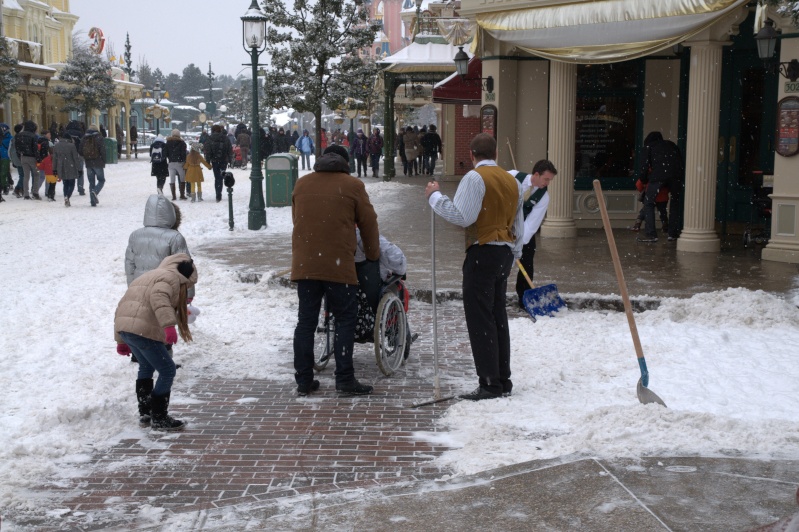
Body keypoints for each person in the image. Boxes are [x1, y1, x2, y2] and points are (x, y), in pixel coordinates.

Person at [425, 133, 524, 401]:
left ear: (471, 155)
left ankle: (490, 383)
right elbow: (519, 224)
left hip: (482, 251)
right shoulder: (512, 181)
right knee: (497, 317)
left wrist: (435, 198)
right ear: (496, 155)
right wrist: (514, 252)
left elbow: (462, 216)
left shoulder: (474, 178)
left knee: (480, 319)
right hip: (504, 252)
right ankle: (502, 378)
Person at [291, 144, 380, 397]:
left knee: (305, 322)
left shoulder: (302, 184)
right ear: (345, 162)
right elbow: (368, 222)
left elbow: (297, 218)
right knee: (344, 319)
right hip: (338, 264)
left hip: (306, 264)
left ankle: (304, 380)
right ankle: (344, 379)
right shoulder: (352, 185)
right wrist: (372, 255)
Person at [114, 253, 197, 431]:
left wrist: (121, 339)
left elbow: (124, 306)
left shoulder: (149, 275)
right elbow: (159, 298)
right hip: (144, 331)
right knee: (168, 370)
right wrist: (169, 326)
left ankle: (146, 411)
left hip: (128, 329)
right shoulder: (171, 278)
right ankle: (159, 417)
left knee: (146, 366)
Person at [507, 160, 558, 308]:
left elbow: (531, 225)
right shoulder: (512, 176)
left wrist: (516, 242)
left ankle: (524, 296)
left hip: (524, 233)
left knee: (526, 264)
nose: (547, 183)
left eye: (550, 180)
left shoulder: (543, 197)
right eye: (546, 179)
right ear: (536, 174)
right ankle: (495, 295)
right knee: (501, 265)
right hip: (502, 227)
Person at [638, 131, 683, 243]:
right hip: (675, 176)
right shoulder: (672, 145)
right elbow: (680, 162)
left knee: (649, 203)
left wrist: (644, 180)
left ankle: (651, 234)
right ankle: (672, 233)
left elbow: (644, 167)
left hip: (657, 177)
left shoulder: (649, 147)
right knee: (675, 202)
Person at [203, 124, 233, 202]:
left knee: (217, 178)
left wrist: (208, 161)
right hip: (224, 160)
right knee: (221, 176)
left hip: (215, 161)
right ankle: (219, 192)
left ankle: (218, 194)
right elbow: (230, 150)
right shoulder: (225, 138)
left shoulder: (209, 138)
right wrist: (230, 160)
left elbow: (208, 151)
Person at [52, 132, 81, 207]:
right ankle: (67, 196)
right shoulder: (71, 146)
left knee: (65, 183)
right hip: (71, 166)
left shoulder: (56, 145)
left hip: (61, 167)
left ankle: (65, 196)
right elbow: (75, 158)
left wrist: (54, 169)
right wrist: (79, 168)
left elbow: (54, 158)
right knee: (71, 183)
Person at [80, 124, 106, 206]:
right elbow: (102, 150)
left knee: (91, 182)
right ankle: (95, 191)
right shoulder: (99, 138)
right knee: (101, 180)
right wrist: (104, 160)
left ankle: (92, 201)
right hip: (98, 162)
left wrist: (86, 157)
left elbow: (80, 150)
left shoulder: (84, 138)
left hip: (88, 163)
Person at [14, 120, 39, 200]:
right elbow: (35, 148)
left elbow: (17, 148)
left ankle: (26, 194)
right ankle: (35, 192)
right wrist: (38, 159)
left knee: (26, 176)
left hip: (23, 157)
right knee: (36, 175)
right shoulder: (33, 136)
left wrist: (20, 156)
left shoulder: (19, 135)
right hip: (32, 157)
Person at [165, 129, 188, 200]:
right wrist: (184, 161)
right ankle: (182, 195)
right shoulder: (182, 143)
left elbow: (166, 153)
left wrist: (170, 158)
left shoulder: (168, 143)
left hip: (171, 163)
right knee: (182, 178)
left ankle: (174, 196)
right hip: (180, 163)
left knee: (172, 179)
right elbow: (183, 154)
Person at [64, 121, 86, 194]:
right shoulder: (80, 133)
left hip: (67, 155)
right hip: (78, 154)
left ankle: (67, 186)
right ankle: (80, 188)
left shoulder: (66, 133)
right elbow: (83, 144)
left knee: (68, 171)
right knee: (80, 171)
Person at [0, 123, 12, 199]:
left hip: (5, 157)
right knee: (4, 173)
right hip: (3, 156)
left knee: (3, 173)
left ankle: (5, 186)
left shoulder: (10, 138)